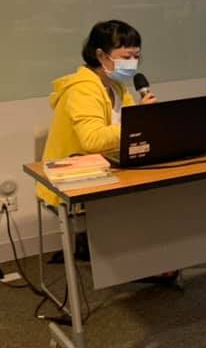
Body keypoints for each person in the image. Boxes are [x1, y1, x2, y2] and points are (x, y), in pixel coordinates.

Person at [38, 20, 154, 208]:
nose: (132, 64)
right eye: (126, 57)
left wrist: (146, 118)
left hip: (110, 169)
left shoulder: (117, 86)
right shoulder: (82, 89)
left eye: (136, 57)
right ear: (100, 55)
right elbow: (92, 140)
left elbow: (132, 129)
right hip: (74, 180)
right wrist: (138, 122)